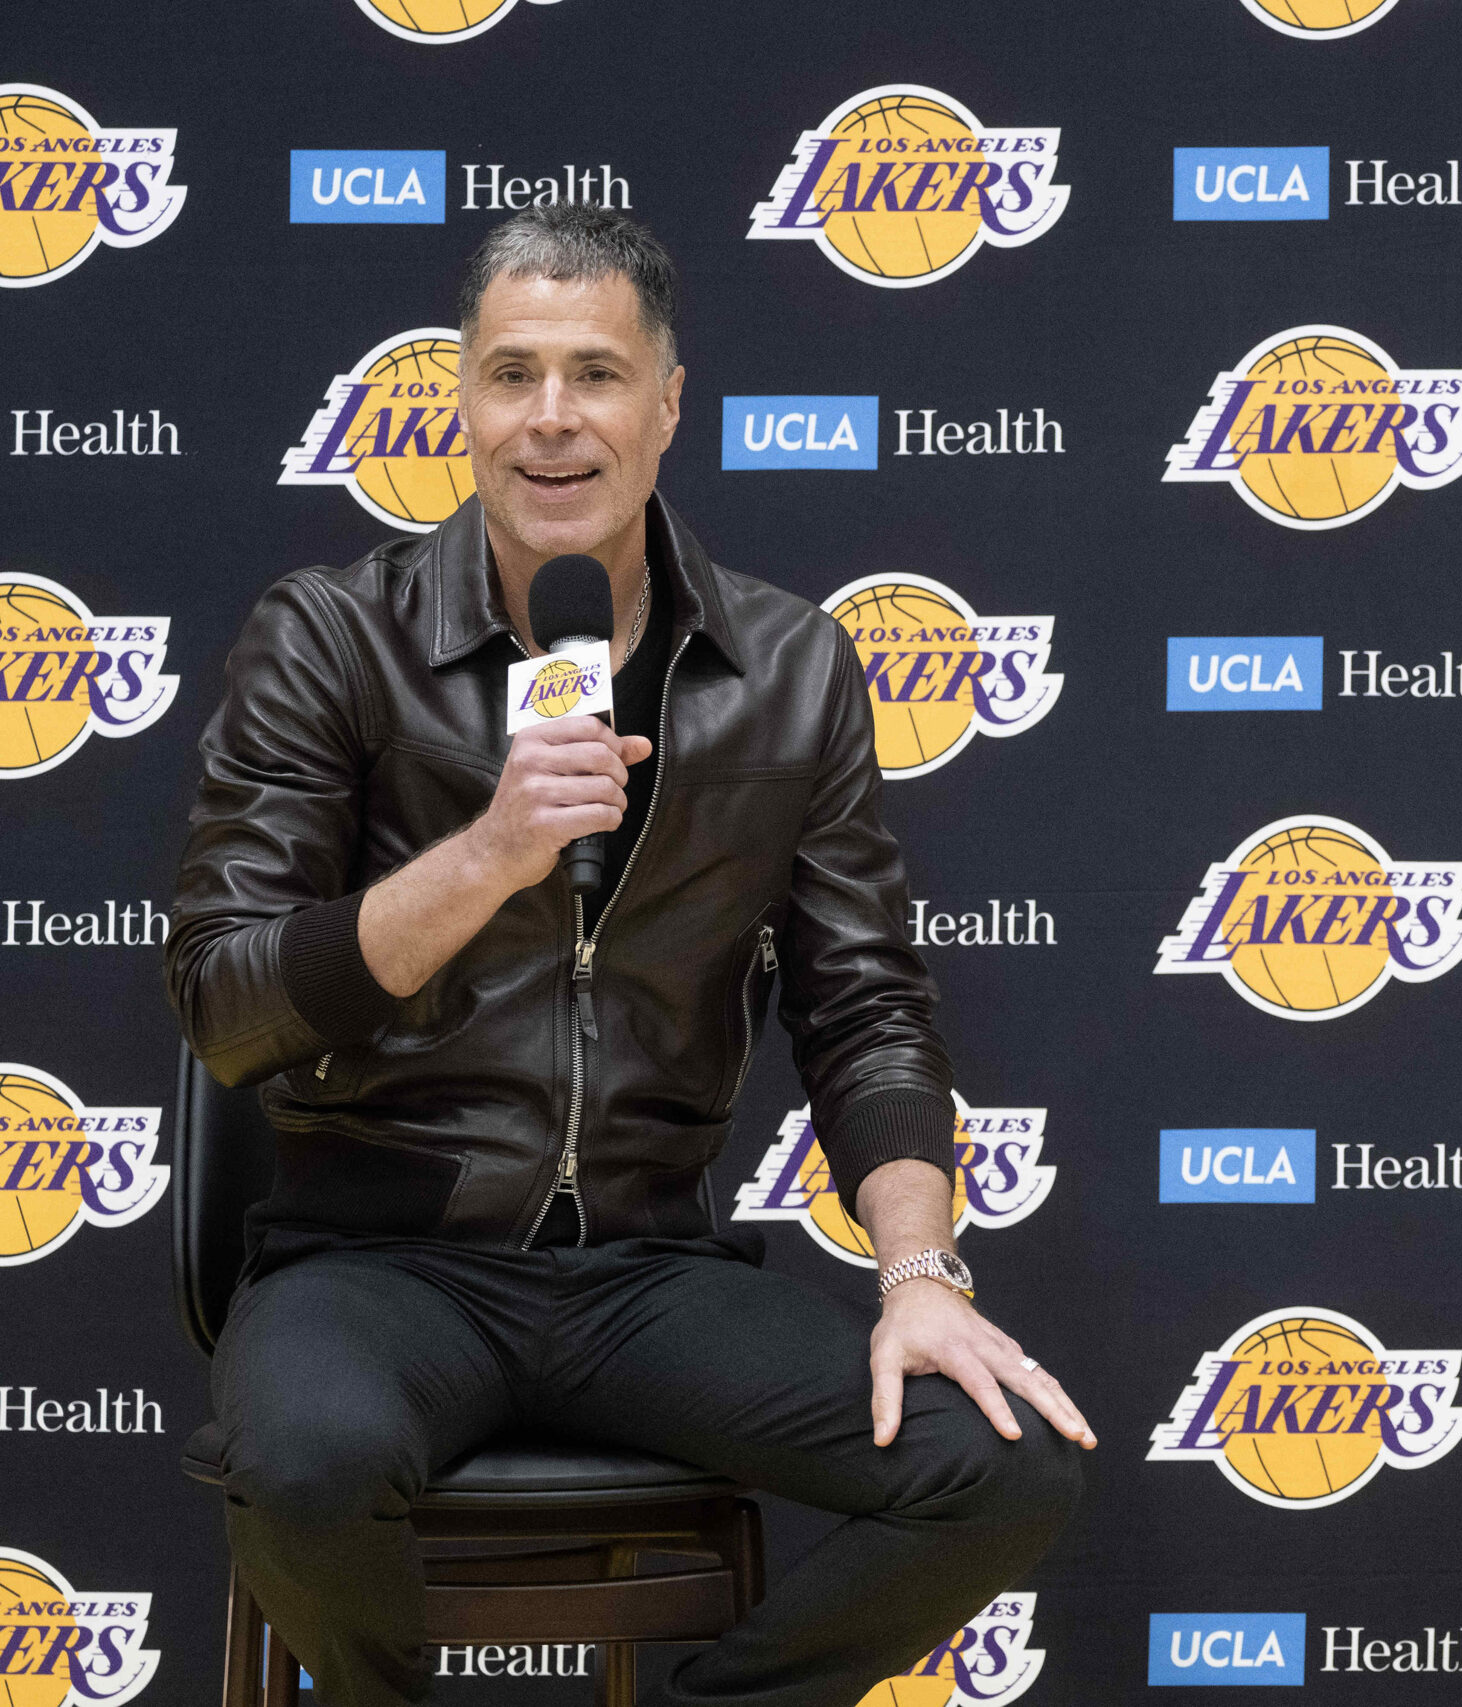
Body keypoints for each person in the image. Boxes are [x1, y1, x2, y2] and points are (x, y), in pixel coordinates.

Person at [166, 204, 1088, 1707]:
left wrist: (922, 1270)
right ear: (456, 402)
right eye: (509, 373)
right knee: (309, 1462)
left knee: (1007, 1464)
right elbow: (227, 1004)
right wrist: (488, 855)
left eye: (594, 374)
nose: (549, 420)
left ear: (668, 402)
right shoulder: (331, 637)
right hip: (378, 1258)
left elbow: (867, 1012)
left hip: (647, 1270)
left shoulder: (791, 668)